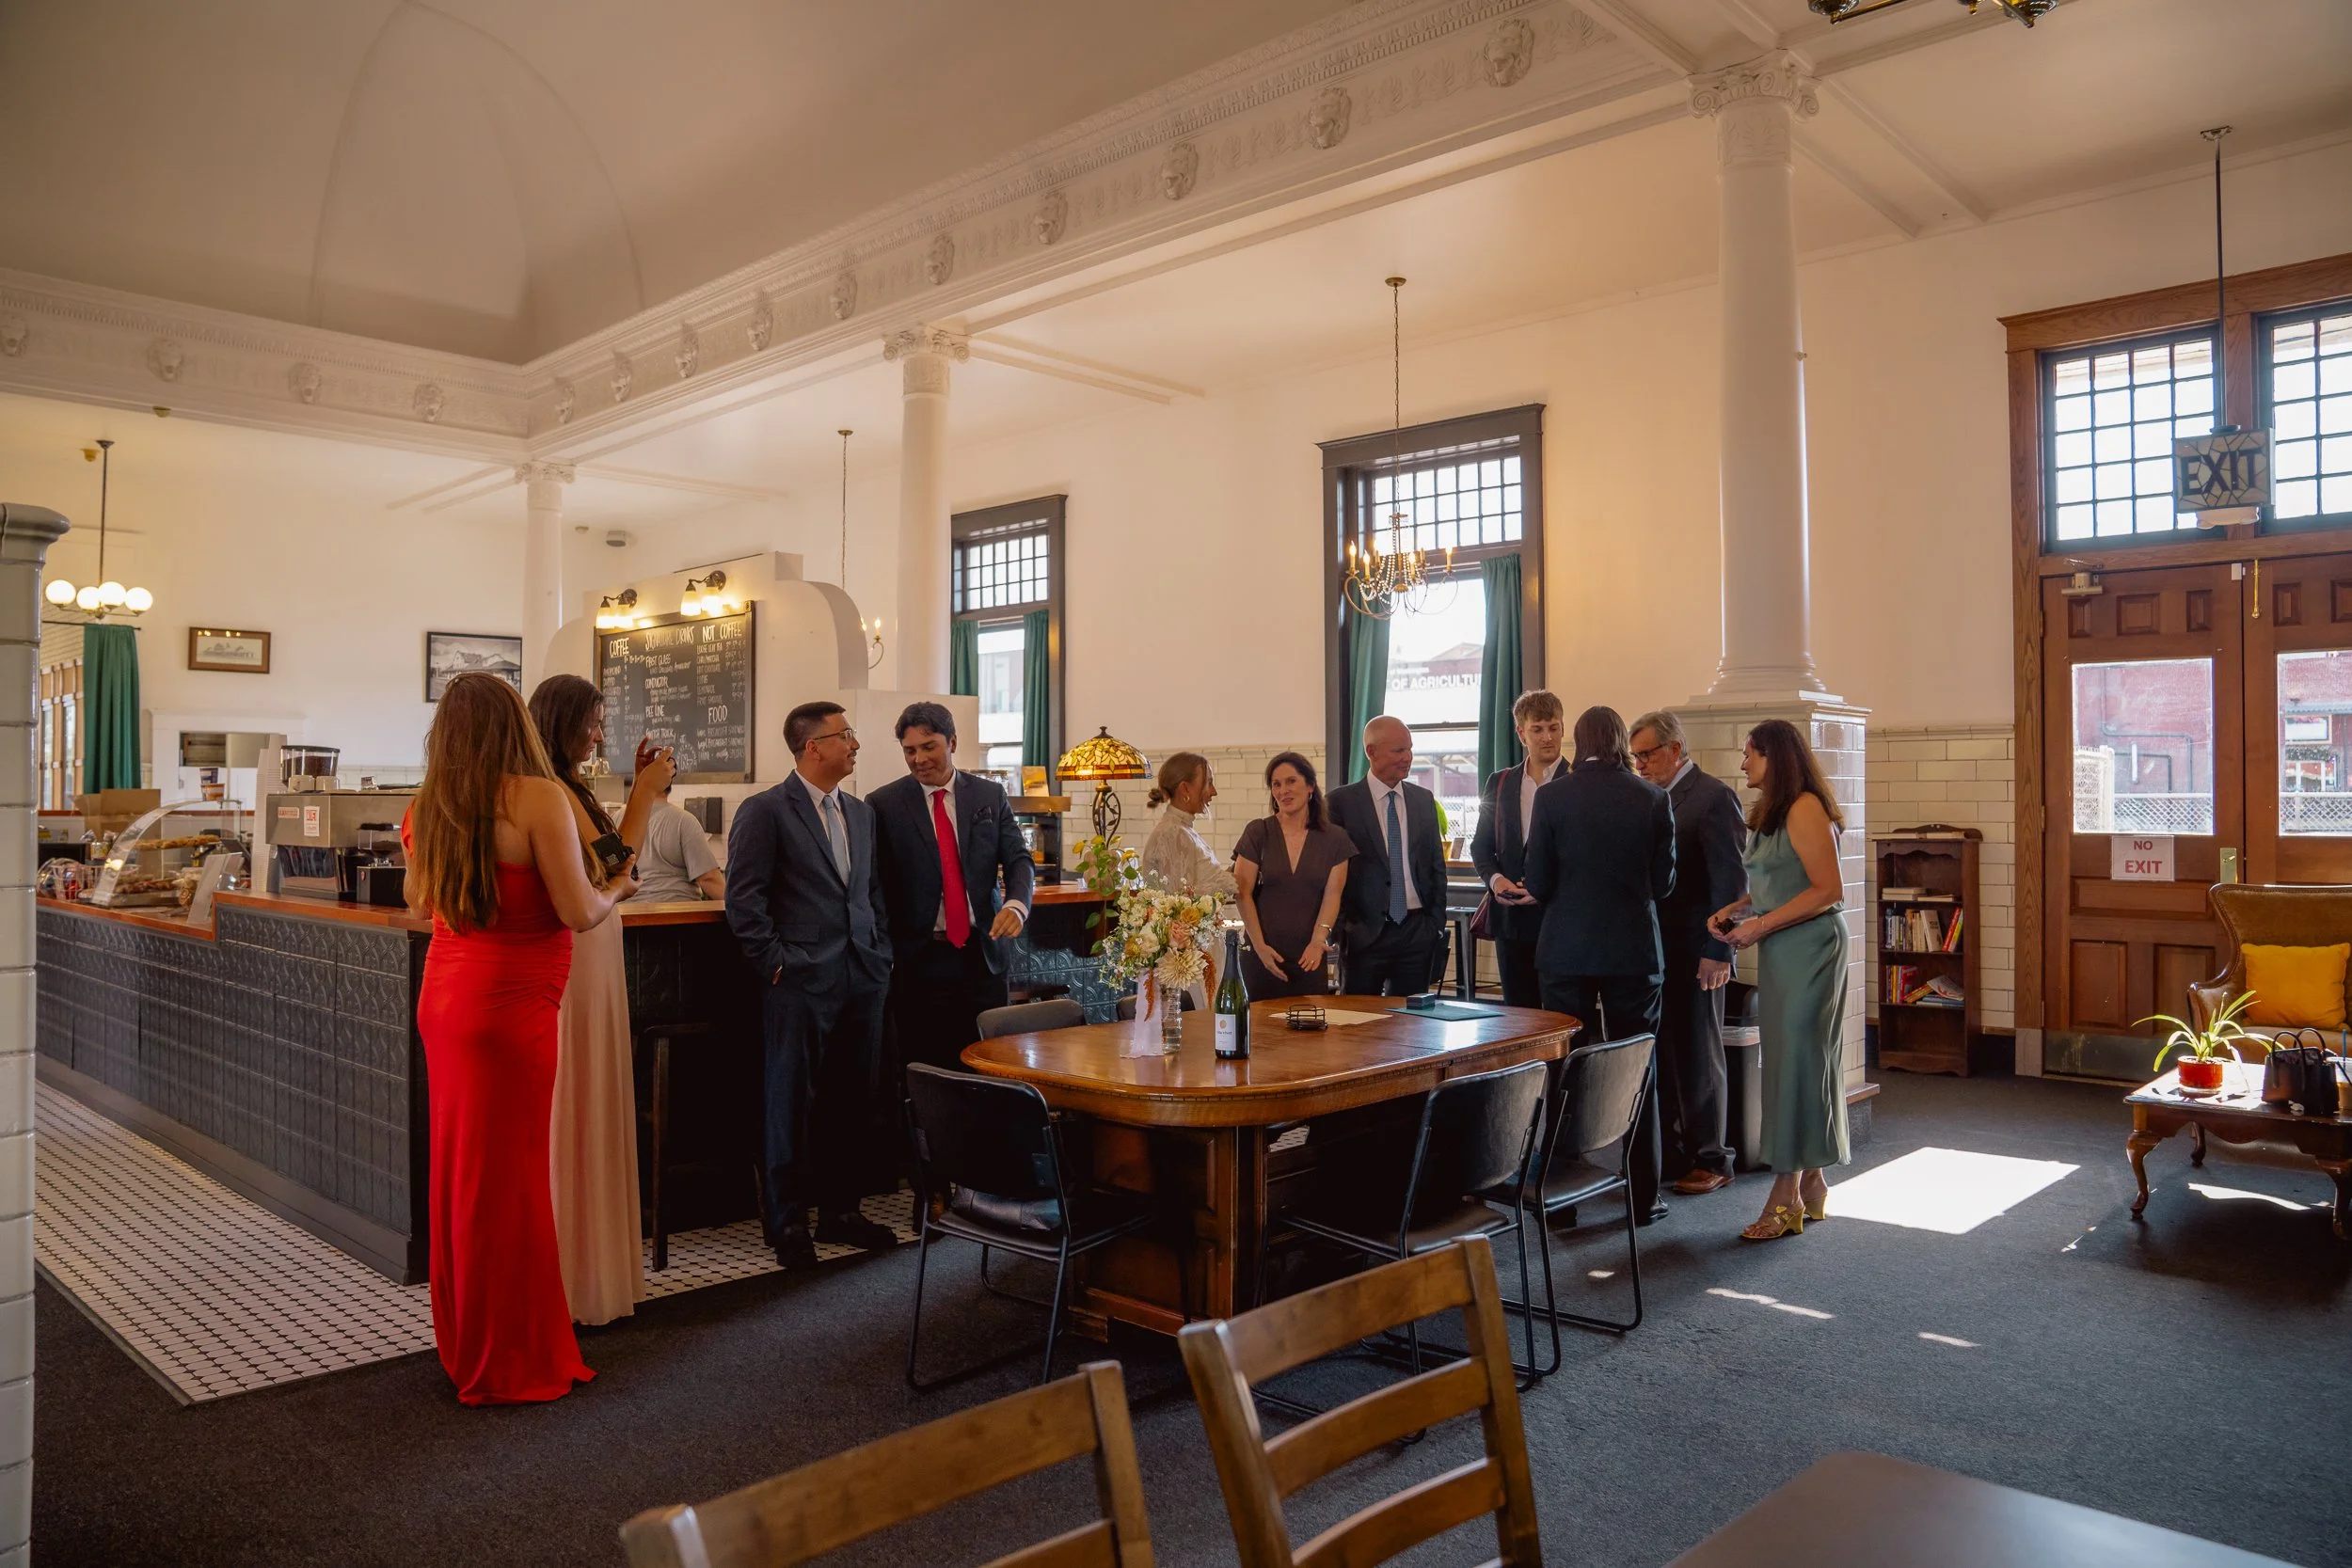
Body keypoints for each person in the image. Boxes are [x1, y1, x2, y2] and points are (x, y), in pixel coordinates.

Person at [403, 673, 634, 1405]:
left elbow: (418, 902)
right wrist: (620, 889)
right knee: (513, 1182)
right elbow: (577, 909)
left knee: (464, 1173)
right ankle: (511, 1353)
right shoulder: (537, 798)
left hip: (447, 996)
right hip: (512, 1009)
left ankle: (467, 1339)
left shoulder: (429, 804)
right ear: (515, 725)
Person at [724, 701, 897, 1269]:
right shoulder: (766, 810)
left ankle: (841, 1211)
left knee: (854, 1099)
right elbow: (743, 901)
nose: (854, 743)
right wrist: (776, 964)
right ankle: (788, 1221)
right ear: (811, 747)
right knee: (791, 1100)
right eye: (844, 734)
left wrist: (880, 954)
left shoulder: (861, 812)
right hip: (798, 978)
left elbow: (869, 894)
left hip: (861, 974)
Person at [528, 673, 674, 1326]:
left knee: (591, 1091)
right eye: (591, 721)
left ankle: (585, 1266)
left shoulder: (569, 785)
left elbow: (612, 862)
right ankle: (576, 1271)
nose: (598, 734)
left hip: (595, 948)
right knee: (582, 1094)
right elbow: (617, 867)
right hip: (581, 950)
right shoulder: (552, 789)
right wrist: (644, 796)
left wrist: (633, 796)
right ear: (560, 722)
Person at [1521, 705, 1676, 1225]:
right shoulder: (1653, 798)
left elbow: (1537, 881)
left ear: (1578, 740)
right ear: (1619, 742)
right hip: (1634, 953)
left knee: (1563, 1070)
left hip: (1566, 953)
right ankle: (1643, 1196)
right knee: (1638, 1068)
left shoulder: (1551, 798)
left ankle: (1562, 1203)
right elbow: (1664, 884)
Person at [1711, 719, 1851, 1242]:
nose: (1744, 762)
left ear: (1776, 757)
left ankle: (1785, 1193)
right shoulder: (1773, 811)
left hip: (1811, 948)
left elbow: (1827, 889)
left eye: (1750, 753)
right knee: (1796, 1063)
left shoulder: (1805, 807)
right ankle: (1811, 1181)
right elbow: (1779, 878)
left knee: (1796, 1065)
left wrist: (1758, 925)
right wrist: (1737, 908)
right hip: (1782, 948)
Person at [869, 701, 1035, 1074]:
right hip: (918, 962)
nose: (919, 759)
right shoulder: (884, 804)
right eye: (909, 750)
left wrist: (1017, 905)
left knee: (989, 1066)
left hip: (984, 957)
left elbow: (1018, 860)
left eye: (928, 747)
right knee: (926, 1069)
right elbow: (874, 885)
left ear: (953, 743)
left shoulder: (988, 796)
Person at [1631, 709, 1750, 1198]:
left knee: (1700, 1056)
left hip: (1700, 951)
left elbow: (1732, 883)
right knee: (1664, 1051)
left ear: (1675, 749)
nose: (1638, 764)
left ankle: (1713, 1157)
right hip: (1655, 949)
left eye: (1646, 754)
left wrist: (1718, 950)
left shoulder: (1713, 796)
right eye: (1633, 755)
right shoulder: (1646, 797)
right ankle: (1674, 1152)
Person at [1326, 717, 1448, 996]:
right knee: (1358, 1027)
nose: (1408, 758)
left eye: (1409, 749)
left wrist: (1435, 924)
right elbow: (1332, 873)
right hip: (1363, 935)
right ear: (1371, 751)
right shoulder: (1340, 803)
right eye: (1398, 751)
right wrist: (1343, 931)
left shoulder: (1422, 799)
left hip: (1417, 932)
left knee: (1412, 1027)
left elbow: (1435, 865)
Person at [1470, 690, 1567, 1007]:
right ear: (1521, 733)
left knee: (1563, 1016)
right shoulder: (1500, 782)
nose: (1548, 737)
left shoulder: (1577, 780)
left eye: (1554, 727)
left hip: (1561, 918)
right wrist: (1496, 882)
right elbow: (1481, 846)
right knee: (1517, 1016)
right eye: (1538, 729)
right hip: (1511, 920)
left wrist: (1543, 887)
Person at [1232, 752, 1355, 998]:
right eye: (1276, 784)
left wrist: (1318, 940)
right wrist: (1259, 948)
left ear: (1310, 786)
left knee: (1310, 1031)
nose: (1283, 790)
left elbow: (1333, 896)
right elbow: (1242, 893)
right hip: (1261, 956)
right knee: (1259, 1033)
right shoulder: (1258, 832)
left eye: (1291, 781)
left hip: (1309, 956)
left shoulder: (1335, 839)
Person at [1137, 752, 1238, 900]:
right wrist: (1233, 882)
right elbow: (1179, 900)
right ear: (1185, 789)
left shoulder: (1182, 829)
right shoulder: (1171, 833)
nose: (1214, 792)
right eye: (1208, 783)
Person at [624, 782, 724, 903]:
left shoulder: (616, 820)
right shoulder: (684, 820)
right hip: (676, 912)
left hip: (626, 915)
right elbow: (709, 879)